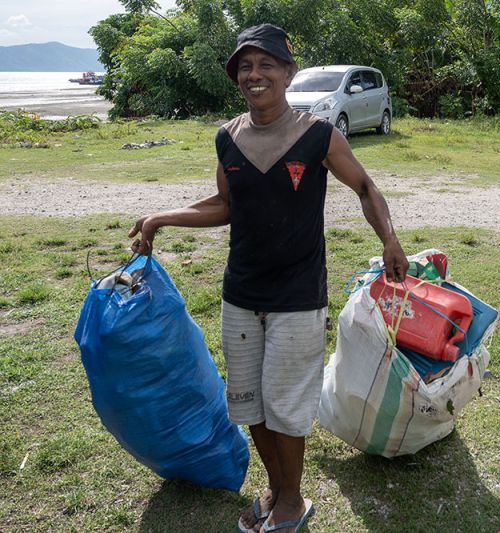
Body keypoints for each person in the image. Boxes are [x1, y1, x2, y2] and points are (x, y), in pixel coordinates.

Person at [128, 23, 408, 533]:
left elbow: (366, 187)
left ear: (287, 73)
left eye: (265, 65)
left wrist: (389, 239)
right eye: (245, 68)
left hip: (298, 296)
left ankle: (292, 503)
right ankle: (280, 490)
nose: (254, 76)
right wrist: (160, 217)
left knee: (285, 404)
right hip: (241, 294)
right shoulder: (228, 137)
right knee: (249, 401)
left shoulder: (318, 134)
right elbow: (226, 206)